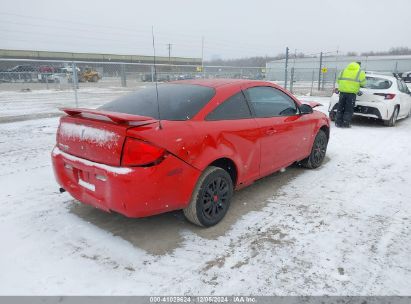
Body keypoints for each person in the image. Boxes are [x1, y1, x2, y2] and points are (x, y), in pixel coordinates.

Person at [335, 62, 366, 127]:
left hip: (342, 93)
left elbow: (338, 81)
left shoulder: (343, 71)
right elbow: (363, 84)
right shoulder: (360, 72)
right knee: (348, 109)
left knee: (340, 108)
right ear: (359, 66)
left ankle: (338, 123)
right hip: (351, 94)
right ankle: (346, 123)